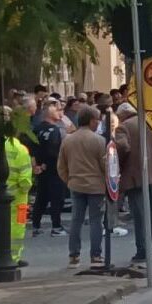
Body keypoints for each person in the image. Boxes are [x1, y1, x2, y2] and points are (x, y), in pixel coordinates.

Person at [114, 102, 152, 267]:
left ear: (122, 115)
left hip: (134, 176)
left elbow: (122, 147)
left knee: (140, 216)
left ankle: (142, 251)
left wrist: (120, 165)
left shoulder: (123, 127)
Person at [58, 106, 108, 269]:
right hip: (96, 186)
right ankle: (96, 255)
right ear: (92, 120)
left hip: (75, 184)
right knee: (95, 221)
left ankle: (74, 256)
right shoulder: (99, 140)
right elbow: (105, 166)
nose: (98, 123)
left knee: (76, 220)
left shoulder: (68, 140)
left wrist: (69, 180)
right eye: (97, 120)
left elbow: (61, 166)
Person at [0, 109, 33, 267]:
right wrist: (25, 190)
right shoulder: (21, 150)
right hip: (19, 199)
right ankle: (14, 257)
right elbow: (25, 179)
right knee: (18, 229)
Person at [30, 99, 67, 237]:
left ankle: (36, 226)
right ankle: (56, 226)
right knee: (57, 198)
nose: (60, 113)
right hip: (53, 168)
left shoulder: (37, 128)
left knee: (42, 197)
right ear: (50, 114)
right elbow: (53, 151)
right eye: (58, 111)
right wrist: (46, 164)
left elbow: (32, 148)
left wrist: (36, 165)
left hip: (40, 168)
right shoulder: (55, 130)